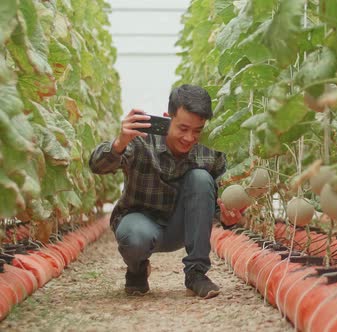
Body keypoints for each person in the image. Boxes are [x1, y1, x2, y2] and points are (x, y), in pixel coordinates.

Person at [89, 84, 241, 298]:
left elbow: (214, 202)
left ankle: (196, 274)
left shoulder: (210, 151)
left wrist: (228, 215)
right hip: (140, 223)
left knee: (201, 177)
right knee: (134, 237)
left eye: (197, 131)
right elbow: (97, 166)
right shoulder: (141, 139)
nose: (189, 138)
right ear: (167, 118)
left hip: (181, 228)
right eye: (182, 128)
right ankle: (137, 269)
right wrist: (119, 143)